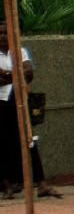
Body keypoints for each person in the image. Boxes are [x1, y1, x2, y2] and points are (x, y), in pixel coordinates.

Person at [0, 22, 58, 199]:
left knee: (30, 142)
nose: (3, 36)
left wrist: (6, 74)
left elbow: (29, 73)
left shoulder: (20, 51)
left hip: (20, 102)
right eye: (0, 33)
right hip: (2, 103)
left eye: (6, 33)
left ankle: (41, 184)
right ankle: (7, 187)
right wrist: (17, 76)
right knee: (4, 144)